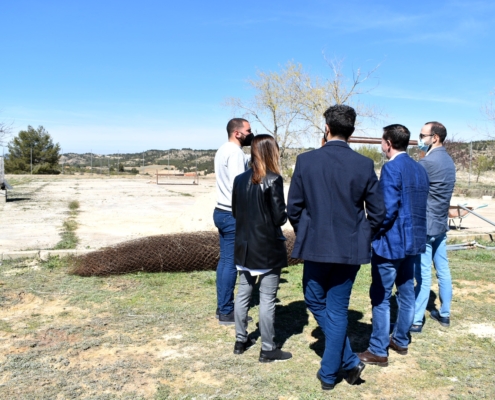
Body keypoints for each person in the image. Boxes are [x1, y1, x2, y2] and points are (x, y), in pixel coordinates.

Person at [287, 105, 385, 390]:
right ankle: (349, 362)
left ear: (326, 128)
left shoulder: (306, 161)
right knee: (335, 309)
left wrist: (306, 232)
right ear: (351, 132)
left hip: (317, 246)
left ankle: (329, 375)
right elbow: (377, 213)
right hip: (349, 248)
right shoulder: (364, 165)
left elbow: (294, 208)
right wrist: (361, 235)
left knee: (316, 300)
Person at [357, 124, 429, 367]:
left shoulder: (391, 169)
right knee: (406, 293)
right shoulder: (419, 169)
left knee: (381, 296)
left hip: (391, 244)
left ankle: (378, 349)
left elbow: (386, 211)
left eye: (382, 140)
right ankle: (400, 339)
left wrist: (371, 232)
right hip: (413, 243)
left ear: (387, 143)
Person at [231, 134, 292, 362]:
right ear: (270, 151)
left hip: (244, 247)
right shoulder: (273, 179)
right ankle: (267, 348)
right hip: (266, 249)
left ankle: (240, 340)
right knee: (267, 298)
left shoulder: (239, 179)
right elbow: (279, 218)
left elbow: (236, 213)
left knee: (243, 294)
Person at [411, 122, 456, 332]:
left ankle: (417, 319)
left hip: (426, 226)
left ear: (435, 137)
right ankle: (445, 313)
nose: (420, 138)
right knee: (443, 270)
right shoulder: (448, 161)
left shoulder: (426, 163)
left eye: (422, 135)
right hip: (440, 224)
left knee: (422, 274)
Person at [213, 118, 254, 325]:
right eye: (248, 130)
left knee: (225, 261)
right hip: (232, 214)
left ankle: (222, 306)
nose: (251, 133)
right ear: (237, 133)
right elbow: (241, 186)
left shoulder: (222, 149)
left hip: (220, 210)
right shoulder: (236, 153)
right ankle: (227, 311)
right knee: (231, 263)